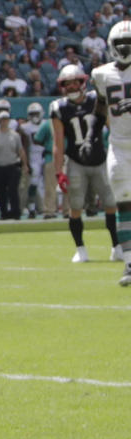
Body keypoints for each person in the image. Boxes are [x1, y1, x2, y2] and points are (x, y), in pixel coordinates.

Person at [52, 63, 120, 264]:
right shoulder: (59, 107)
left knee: (110, 205)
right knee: (75, 207)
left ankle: (116, 246)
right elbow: (58, 142)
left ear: (82, 82)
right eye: (68, 84)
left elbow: (112, 129)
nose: (72, 87)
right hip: (76, 162)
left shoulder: (96, 100)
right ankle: (80, 249)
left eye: (75, 83)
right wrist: (59, 172)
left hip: (100, 159)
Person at [91, 20, 131, 287]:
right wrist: (92, 136)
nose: (126, 47)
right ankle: (129, 263)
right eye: (121, 44)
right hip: (119, 146)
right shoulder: (101, 74)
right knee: (124, 202)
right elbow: (100, 107)